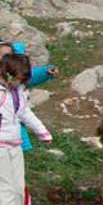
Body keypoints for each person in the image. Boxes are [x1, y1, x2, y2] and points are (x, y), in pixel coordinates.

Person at [0, 54, 53, 205]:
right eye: (17, 79)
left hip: (14, 142)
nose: (19, 83)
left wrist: (42, 132)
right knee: (4, 187)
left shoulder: (18, 91)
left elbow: (24, 112)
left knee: (18, 186)